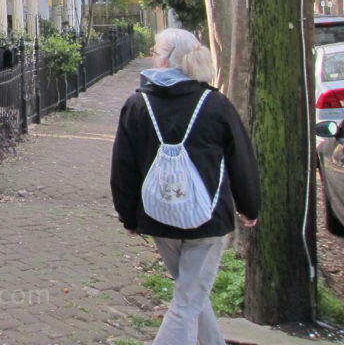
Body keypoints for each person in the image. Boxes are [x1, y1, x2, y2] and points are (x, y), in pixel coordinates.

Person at [111, 28, 260, 345]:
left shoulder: (137, 106)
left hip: (158, 218)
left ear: (164, 60)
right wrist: (250, 206)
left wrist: (128, 216)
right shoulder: (216, 104)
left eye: (155, 49)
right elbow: (241, 160)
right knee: (188, 300)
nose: (152, 54)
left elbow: (123, 167)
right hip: (208, 220)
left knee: (192, 292)